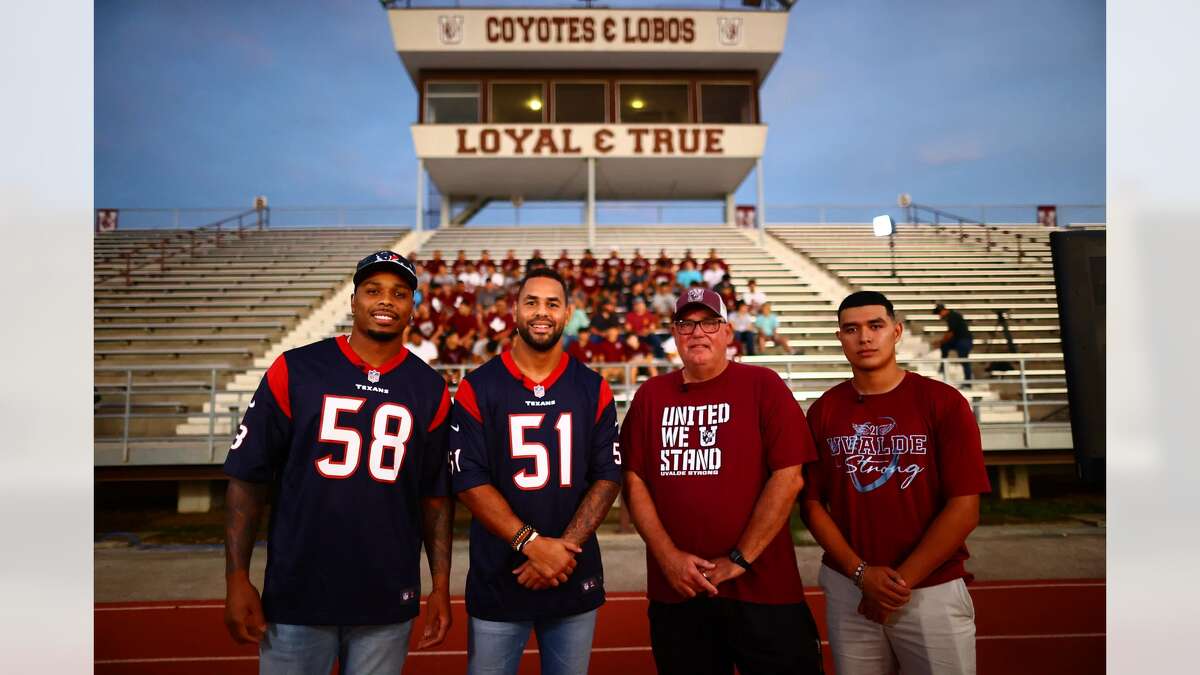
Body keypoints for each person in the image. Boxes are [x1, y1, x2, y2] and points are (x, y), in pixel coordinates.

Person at [222, 250, 454, 674]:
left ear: (412, 309)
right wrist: (237, 576)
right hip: (299, 590)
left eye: (399, 293)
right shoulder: (295, 369)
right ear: (353, 301)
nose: (386, 301)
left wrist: (440, 586)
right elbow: (247, 479)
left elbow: (435, 498)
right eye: (373, 290)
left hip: (386, 592)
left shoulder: (430, 389)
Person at [619, 287, 824, 675]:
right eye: (686, 324)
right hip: (678, 592)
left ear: (728, 332)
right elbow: (633, 479)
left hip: (764, 589)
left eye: (709, 322)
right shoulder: (650, 396)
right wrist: (667, 557)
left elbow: (789, 477)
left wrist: (740, 558)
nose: (698, 332)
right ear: (674, 334)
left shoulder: (763, 385)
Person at [801, 291, 990, 675]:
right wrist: (860, 574)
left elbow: (964, 507)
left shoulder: (943, 402)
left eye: (876, 326)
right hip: (849, 587)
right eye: (851, 329)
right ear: (840, 338)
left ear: (897, 331)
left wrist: (894, 586)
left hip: (930, 587)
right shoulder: (824, 409)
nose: (864, 338)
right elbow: (811, 504)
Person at [449, 268, 624, 675]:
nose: (541, 312)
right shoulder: (479, 386)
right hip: (499, 576)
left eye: (552, 303)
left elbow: (608, 476)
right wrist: (532, 545)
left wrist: (561, 551)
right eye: (531, 302)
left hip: (571, 572)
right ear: (514, 311)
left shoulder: (593, 387)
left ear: (567, 313)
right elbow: (469, 480)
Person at [934, 303, 974, 382]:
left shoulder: (953, 316)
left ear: (943, 311)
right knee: (945, 346)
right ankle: (942, 366)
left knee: (964, 360)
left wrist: (941, 341)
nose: (940, 316)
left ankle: (968, 382)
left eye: (939, 314)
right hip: (958, 340)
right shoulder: (952, 316)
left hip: (963, 340)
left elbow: (950, 333)